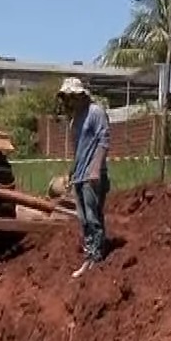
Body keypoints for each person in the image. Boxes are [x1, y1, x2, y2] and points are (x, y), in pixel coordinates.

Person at [56, 77, 110, 278]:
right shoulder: (76, 118)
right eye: (67, 98)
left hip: (92, 176)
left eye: (72, 97)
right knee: (83, 219)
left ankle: (96, 257)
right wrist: (72, 171)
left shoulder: (96, 112)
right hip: (79, 175)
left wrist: (95, 169)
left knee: (93, 217)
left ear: (81, 95)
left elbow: (104, 141)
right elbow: (79, 149)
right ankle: (89, 256)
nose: (70, 102)